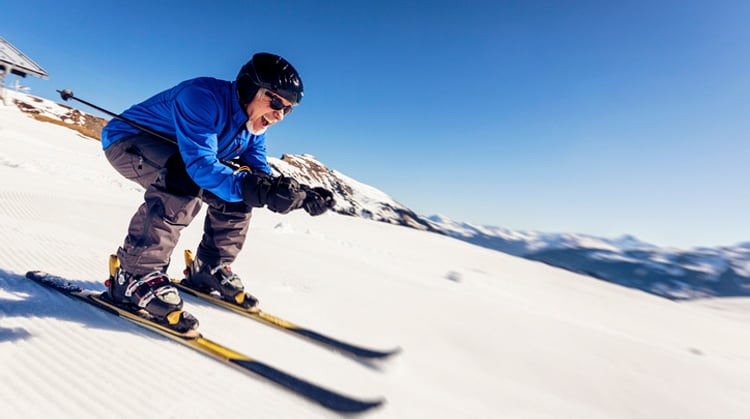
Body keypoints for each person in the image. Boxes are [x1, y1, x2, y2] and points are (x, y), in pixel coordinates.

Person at [100, 52, 334, 331]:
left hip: (180, 157)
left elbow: (258, 174)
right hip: (127, 141)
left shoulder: (254, 128)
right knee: (184, 177)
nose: (280, 115)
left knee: (241, 190)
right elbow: (200, 166)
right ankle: (135, 274)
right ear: (249, 88)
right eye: (275, 102)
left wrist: (301, 195)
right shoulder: (202, 97)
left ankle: (209, 268)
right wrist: (254, 187)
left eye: (288, 109)